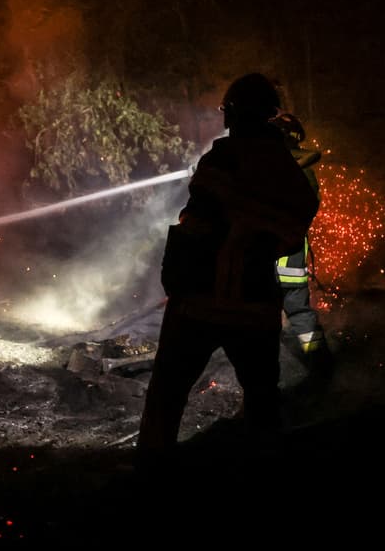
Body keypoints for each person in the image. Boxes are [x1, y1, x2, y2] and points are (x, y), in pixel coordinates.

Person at [137, 73, 320, 468]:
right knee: (262, 402)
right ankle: (260, 479)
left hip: (199, 303)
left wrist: (180, 280)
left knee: (167, 395)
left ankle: (149, 481)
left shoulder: (221, 159)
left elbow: (195, 223)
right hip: (255, 307)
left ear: (232, 113)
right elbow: (293, 234)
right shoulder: (289, 173)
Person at [269, 112, 329, 362]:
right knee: (299, 313)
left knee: (264, 315)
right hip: (289, 258)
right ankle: (320, 363)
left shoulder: (274, 169)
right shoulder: (295, 171)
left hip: (271, 257)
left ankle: (264, 380)